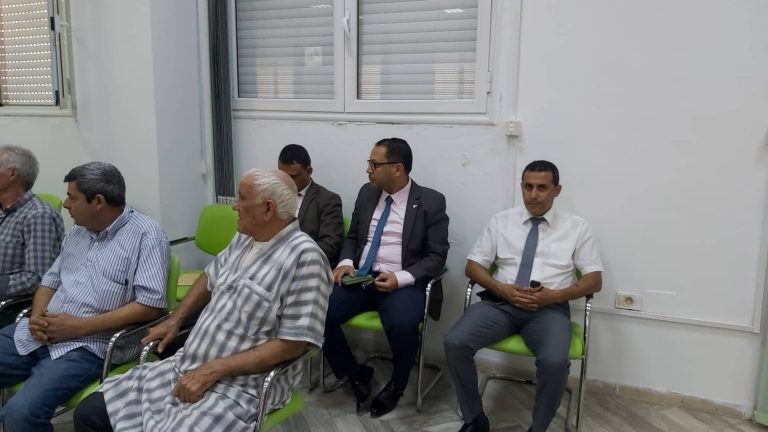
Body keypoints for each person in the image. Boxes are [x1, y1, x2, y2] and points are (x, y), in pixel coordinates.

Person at [73, 169, 333, 432]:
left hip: (241, 386)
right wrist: (176, 319)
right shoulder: (245, 237)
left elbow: (292, 345)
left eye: (242, 198)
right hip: (186, 364)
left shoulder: (305, 258)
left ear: (268, 209)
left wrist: (214, 369)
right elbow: (210, 277)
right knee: (91, 412)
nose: (234, 206)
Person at [0, 161, 170, 432]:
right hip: (39, 333)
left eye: (72, 197)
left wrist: (78, 327)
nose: (66, 204)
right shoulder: (78, 231)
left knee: (20, 413)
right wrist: (37, 316)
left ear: (98, 201)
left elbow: (149, 306)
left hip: (89, 345)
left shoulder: (146, 236)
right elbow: (49, 282)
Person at [443, 160, 603, 432]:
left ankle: (537, 428)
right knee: (455, 342)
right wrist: (501, 288)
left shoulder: (577, 227)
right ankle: (475, 419)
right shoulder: (501, 221)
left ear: (557, 190)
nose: (533, 194)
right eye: (528, 187)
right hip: (500, 304)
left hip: (548, 309)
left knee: (555, 362)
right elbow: (473, 266)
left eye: (542, 188)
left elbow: (594, 280)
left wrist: (554, 296)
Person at [323, 137, 449, 417]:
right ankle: (355, 373)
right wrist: (345, 262)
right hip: (362, 277)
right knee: (319, 312)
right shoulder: (367, 193)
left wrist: (400, 278)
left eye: (374, 164)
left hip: (402, 282)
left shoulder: (430, 202)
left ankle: (397, 385)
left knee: (403, 324)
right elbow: (353, 237)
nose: (368, 170)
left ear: (397, 169)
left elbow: (437, 256)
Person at [0, 145, 64, 299]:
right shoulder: (3, 209)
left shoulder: (38, 216)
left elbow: (38, 278)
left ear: (12, 173)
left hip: (11, 304)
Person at [277, 144, 344, 265]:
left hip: (305, 264)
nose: (287, 181)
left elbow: (330, 245)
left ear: (309, 171)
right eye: (283, 176)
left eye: (293, 176)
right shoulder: (273, 196)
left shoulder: (328, 200)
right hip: (272, 260)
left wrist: (291, 255)